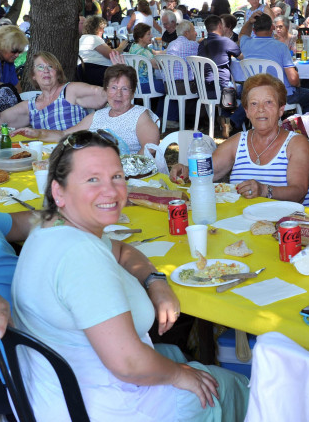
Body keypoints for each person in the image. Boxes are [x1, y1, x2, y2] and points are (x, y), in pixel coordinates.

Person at [0, 105, 180, 399]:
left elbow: (19, 224)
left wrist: (78, 204)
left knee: (149, 326)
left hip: (27, 337)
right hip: (18, 361)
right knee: (158, 327)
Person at [13, 130, 248, 420]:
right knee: (232, 386)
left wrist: (155, 281)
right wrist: (178, 376)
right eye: (92, 179)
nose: (111, 191)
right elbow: (128, 363)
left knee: (179, 356)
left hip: (54, 391)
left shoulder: (50, 227)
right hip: (97, 406)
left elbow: (122, 251)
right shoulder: (80, 256)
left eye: (117, 176)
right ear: (59, 191)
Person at [170, 74, 309, 205]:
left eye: (269, 102)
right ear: (247, 112)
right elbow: (208, 172)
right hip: (243, 223)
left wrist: (264, 190)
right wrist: (186, 171)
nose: (261, 109)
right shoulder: (239, 141)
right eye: (254, 104)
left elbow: (298, 192)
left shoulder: (296, 143)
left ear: (281, 109)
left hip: (289, 226)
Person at [15, 65, 160, 156]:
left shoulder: (140, 115)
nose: (118, 94)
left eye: (124, 89)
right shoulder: (98, 115)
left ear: (133, 92)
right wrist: (37, 133)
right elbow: (65, 135)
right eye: (113, 88)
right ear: (106, 90)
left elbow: (150, 149)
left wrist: (126, 170)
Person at [237, 14, 309, 123]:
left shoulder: (246, 44)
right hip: (282, 95)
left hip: (256, 93)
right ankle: (306, 127)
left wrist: (249, 22)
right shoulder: (281, 47)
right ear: (272, 28)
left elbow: (242, 34)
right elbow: (293, 80)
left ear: (254, 30)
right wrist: (298, 83)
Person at [1, 51, 107, 130]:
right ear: (33, 75)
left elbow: (105, 95)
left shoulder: (70, 91)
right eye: (40, 67)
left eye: (50, 66)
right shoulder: (30, 106)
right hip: (47, 157)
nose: (46, 71)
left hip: (76, 153)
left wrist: (118, 75)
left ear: (58, 72)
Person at [78, 16, 129, 87]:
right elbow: (112, 54)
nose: (104, 31)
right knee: (125, 73)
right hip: (94, 71)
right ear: (98, 29)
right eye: (103, 29)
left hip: (85, 71)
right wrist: (121, 47)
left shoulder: (83, 38)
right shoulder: (94, 38)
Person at [198, 15, 241, 95]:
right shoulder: (226, 41)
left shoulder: (202, 43)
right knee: (243, 89)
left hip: (204, 89)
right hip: (223, 88)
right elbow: (241, 56)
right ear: (220, 26)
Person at [128, 23, 165, 95]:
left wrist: (170, 50)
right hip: (145, 84)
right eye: (148, 34)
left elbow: (156, 52)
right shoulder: (143, 52)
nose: (151, 36)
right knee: (170, 86)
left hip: (134, 84)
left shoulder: (135, 47)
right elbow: (158, 66)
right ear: (140, 37)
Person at [165, 20, 200, 85]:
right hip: (186, 87)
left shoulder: (170, 44)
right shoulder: (193, 45)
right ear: (186, 33)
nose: (196, 33)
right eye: (194, 30)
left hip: (169, 86)